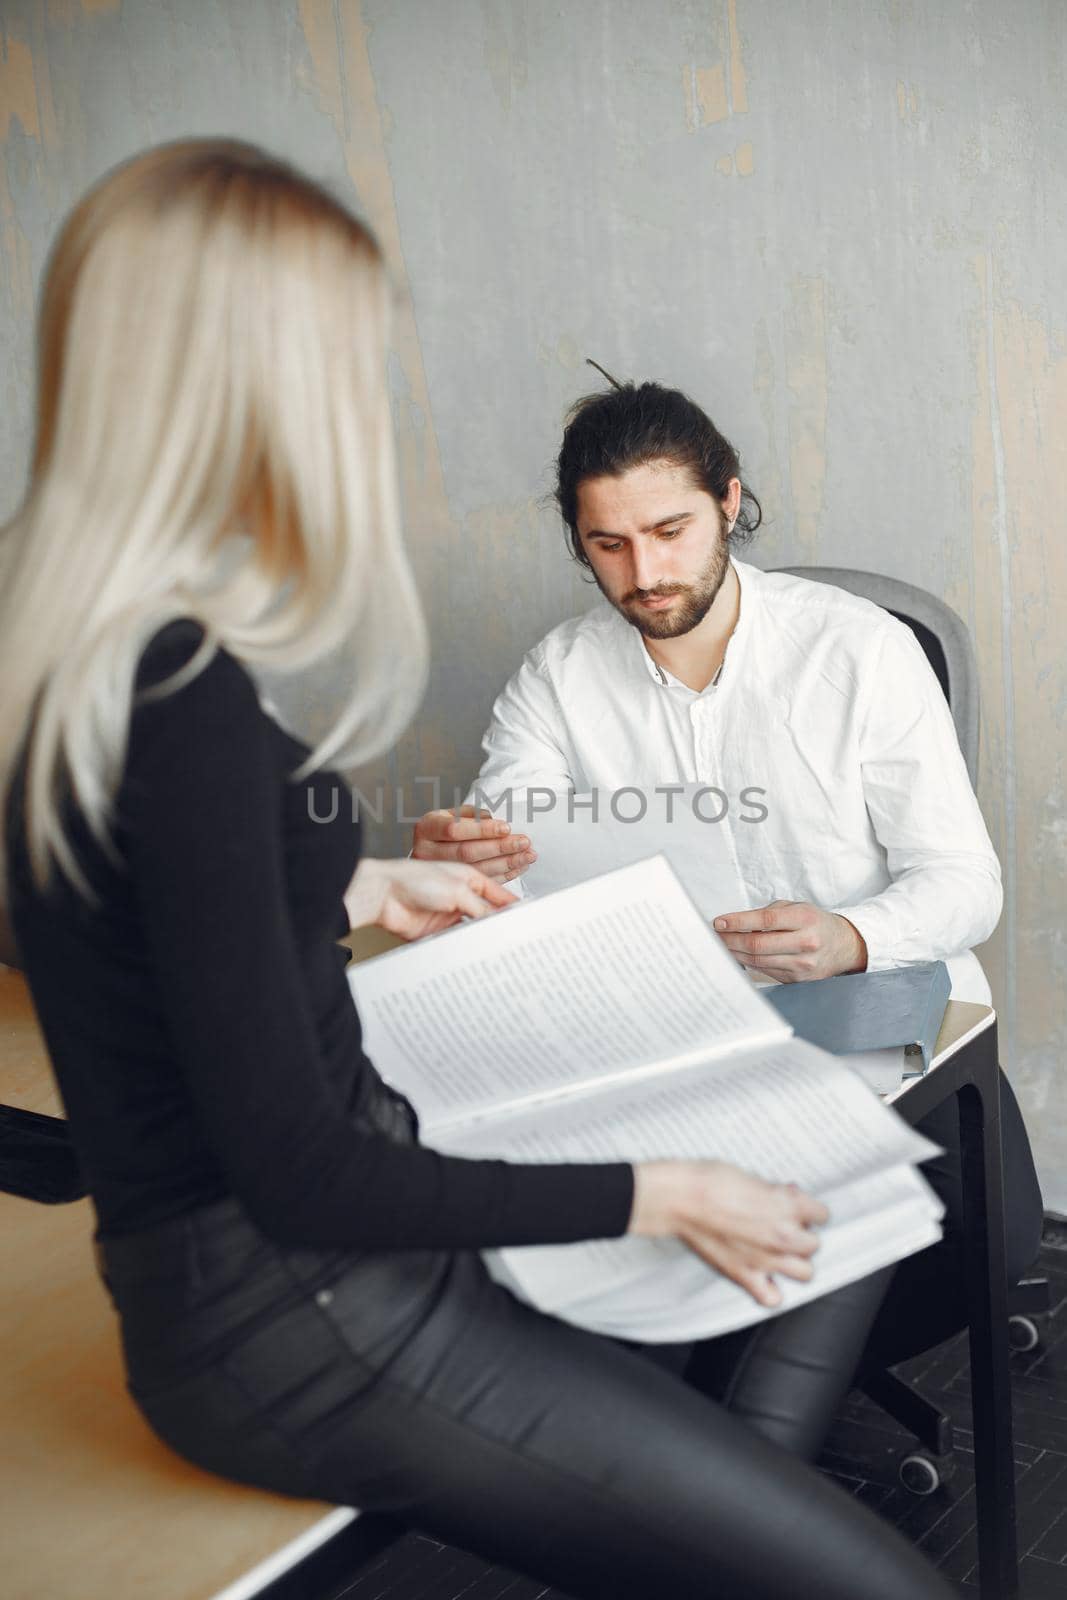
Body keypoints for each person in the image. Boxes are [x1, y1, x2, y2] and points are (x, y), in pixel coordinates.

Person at [0, 139, 957, 1600]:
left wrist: (352, 888)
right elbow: (304, 1170)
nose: (364, 412)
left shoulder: (62, 641)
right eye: (343, 361)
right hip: (312, 1304)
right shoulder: (173, 688)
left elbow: (120, 912)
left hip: (268, 1278)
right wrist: (654, 1191)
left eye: (668, 529)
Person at [412, 376, 1044, 1371]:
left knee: (767, 1239)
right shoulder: (560, 675)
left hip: (861, 1012)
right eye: (607, 544)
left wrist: (850, 935)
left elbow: (964, 881)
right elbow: (511, 849)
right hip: (667, 1029)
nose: (645, 574)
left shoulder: (855, 653)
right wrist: (468, 861)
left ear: (728, 503)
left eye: (669, 530)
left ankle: (723, 1459)